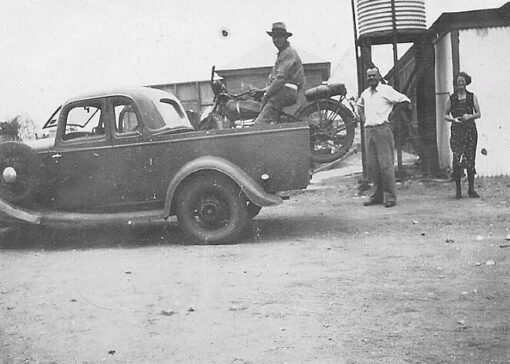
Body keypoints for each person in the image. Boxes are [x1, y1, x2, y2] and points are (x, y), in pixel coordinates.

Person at [357, 66, 410, 208]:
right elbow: (359, 106)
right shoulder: (365, 93)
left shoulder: (386, 90)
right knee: (373, 167)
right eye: (369, 76)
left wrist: (393, 116)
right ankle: (377, 196)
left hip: (383, 130)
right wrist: (364, 119)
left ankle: (390, 197)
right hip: (369, 131)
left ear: (379, 76)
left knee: (386, 165)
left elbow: (405, 100)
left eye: (374, 75)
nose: (371, 78)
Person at [252, 22, 304, 125]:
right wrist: (262, 91)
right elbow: (278, 81)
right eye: (274, 37)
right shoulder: (282, 54)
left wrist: (266, 94)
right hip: (284, 90)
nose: (276, 40)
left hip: (287, 91)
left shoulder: (288, 53)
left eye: (279, 37)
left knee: (259, 124)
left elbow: (281, 79)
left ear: (285, 38)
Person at [444, 71, 481, 199]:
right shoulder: (451, 98)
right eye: (458, 82)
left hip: (470, 130)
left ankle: (471, 190)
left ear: (466, 83)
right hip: (457, 131)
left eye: (463, 82)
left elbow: (478, 113)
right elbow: (445, 114)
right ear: (456, 83)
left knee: (470, 159)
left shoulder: (472, 96)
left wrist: (469, 116)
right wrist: (453, 119)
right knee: (457, 160)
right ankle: (458, 191)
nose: (461, 84)